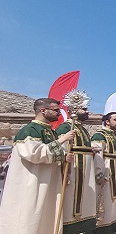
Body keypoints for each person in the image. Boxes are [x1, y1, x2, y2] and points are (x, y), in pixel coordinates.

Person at [0, 98, 74, 234]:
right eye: (56, 110)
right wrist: (62, 140)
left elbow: (52, 152)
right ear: (43, 110)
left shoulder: (51, 131)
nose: (59, 114)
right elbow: (33, 153)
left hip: (48, 183)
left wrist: (64, 157)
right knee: (30, 218)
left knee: (46, 217)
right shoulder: (29, 130)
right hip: (32, 182)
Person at [55, 98, 98, 234]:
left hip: (85, 171)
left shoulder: (83, 130)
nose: (87, 111)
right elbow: (61, 148)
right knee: (71, 200)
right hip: (73, 170)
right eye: (84, 109)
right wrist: (63, 170)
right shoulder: (66, 127)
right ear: (73, 110)